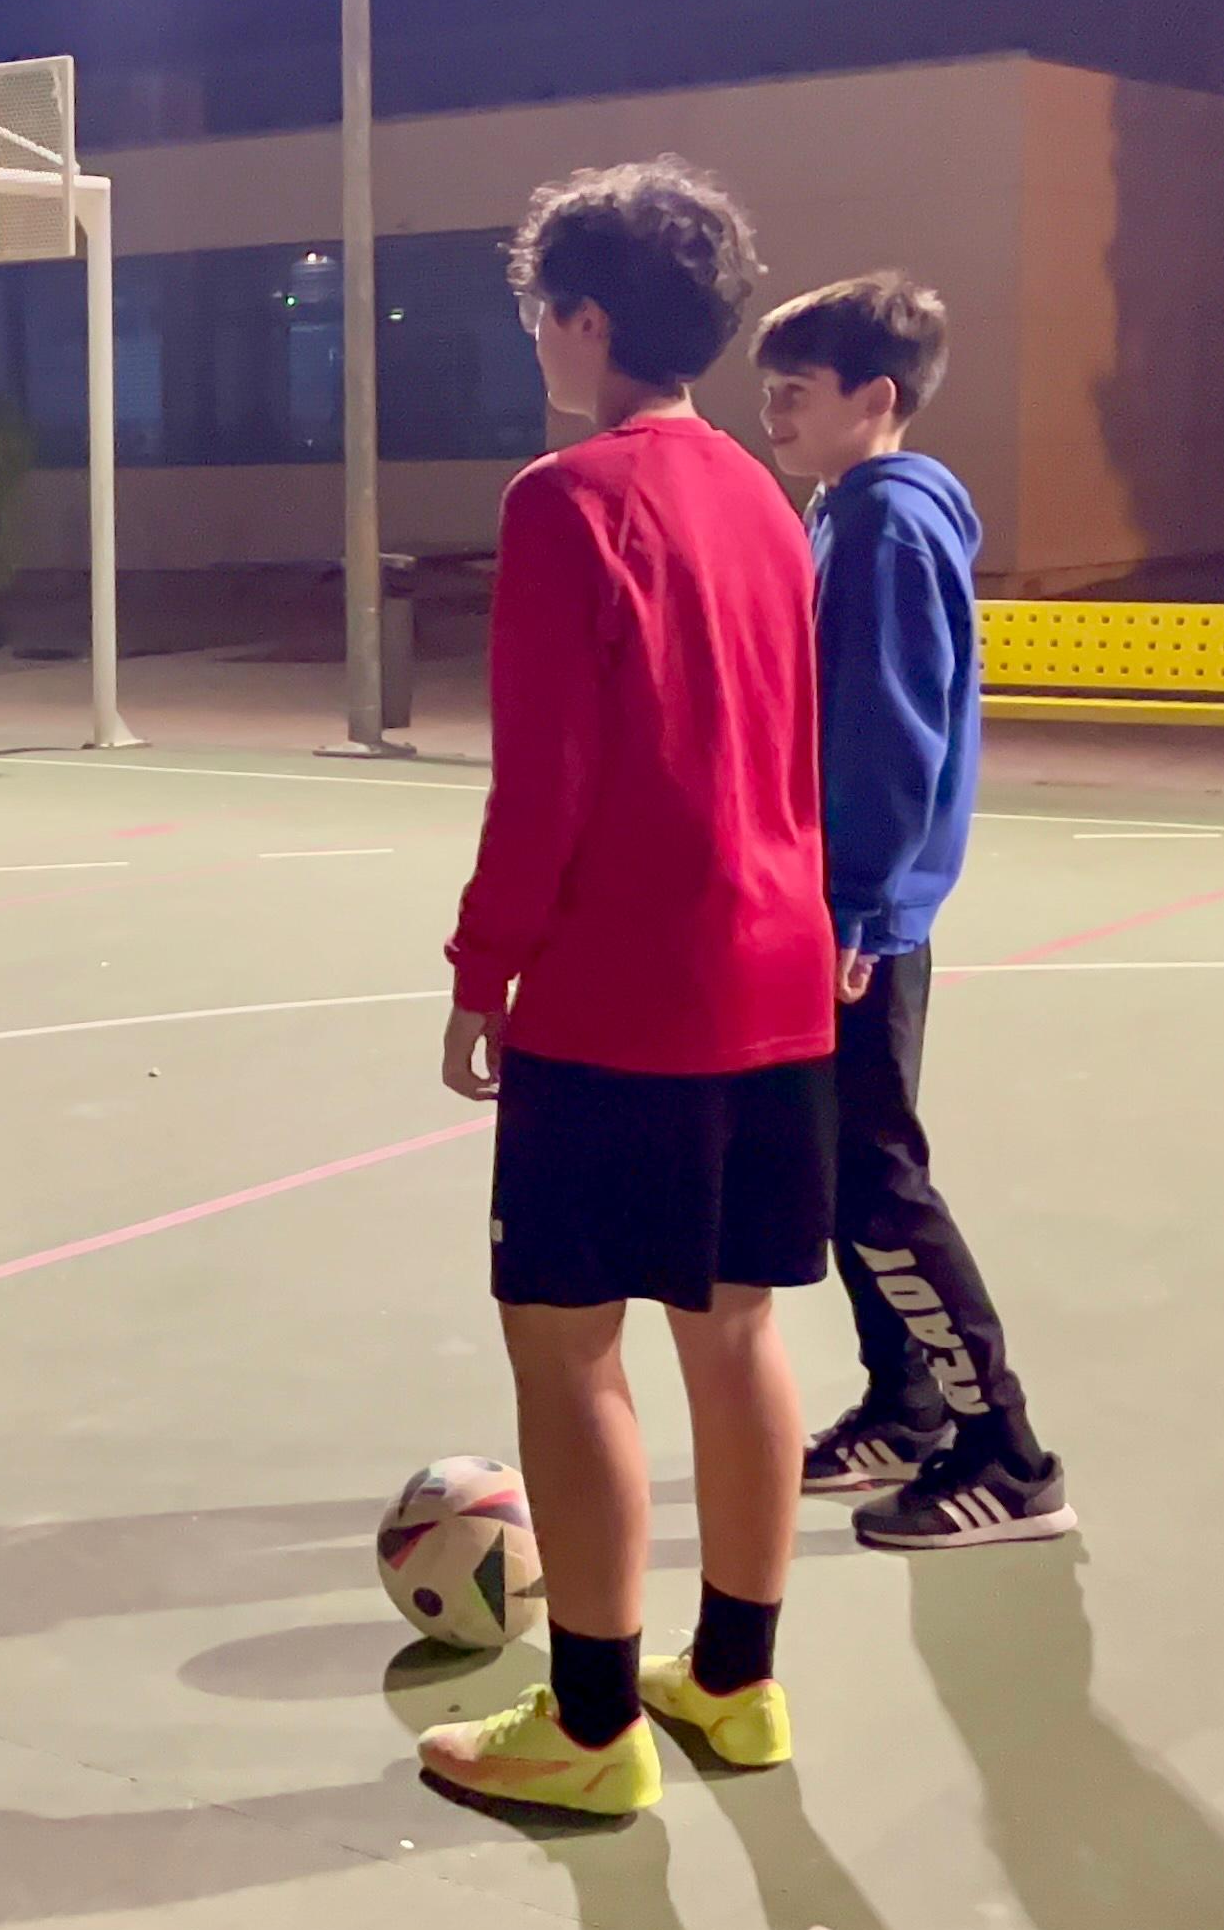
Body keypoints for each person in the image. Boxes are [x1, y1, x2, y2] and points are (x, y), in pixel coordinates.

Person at [416, 160, 835, 1818]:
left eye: (544, 312)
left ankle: (589, 1726)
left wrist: (477, 968)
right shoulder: (765, 501)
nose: (540, 340)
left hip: (627, 992)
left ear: (586, 318)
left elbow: (549, 785)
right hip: (776, 977)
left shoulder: (566, 499)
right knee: (735, 1331)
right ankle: (736, 1688)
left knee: (567, 1346)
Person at [754, 273, 1073, 1550]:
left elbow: (887, 731)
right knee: (846, 1171)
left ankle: (1011, 1455)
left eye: (794, 394)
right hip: (850, 908)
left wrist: (861, 907)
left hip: (859, 918)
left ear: (873, 399)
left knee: (876, 1179)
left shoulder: (883, 523)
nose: (771, 414)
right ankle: (910, 1402)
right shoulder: (854, 509)